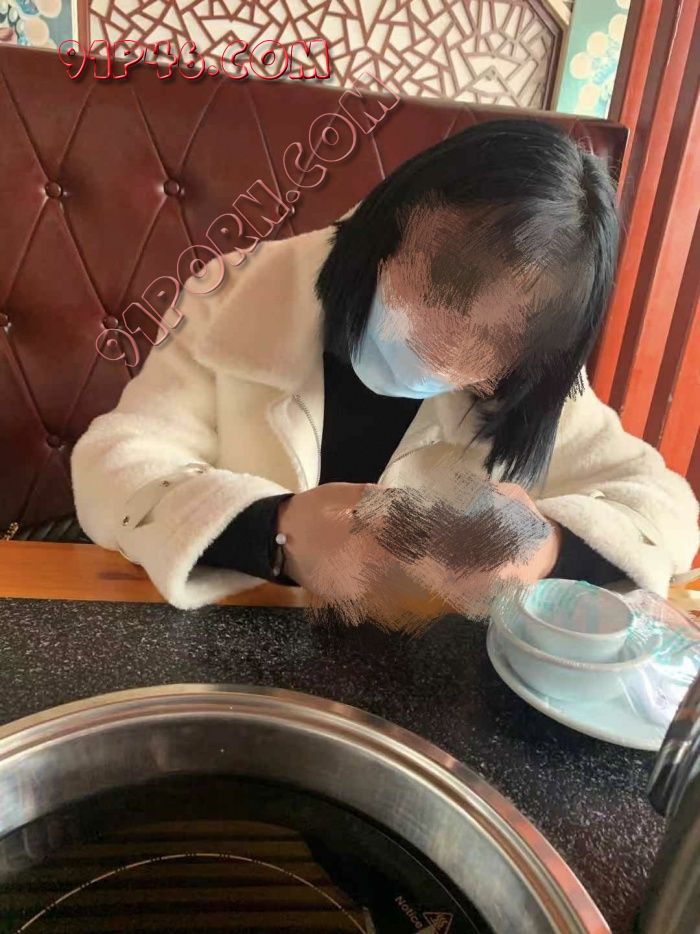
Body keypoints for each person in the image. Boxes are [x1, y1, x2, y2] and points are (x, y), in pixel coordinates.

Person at [71, 120, 699, 628]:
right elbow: (116, 463)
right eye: (435, 292)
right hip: (220, 639)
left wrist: (547, 547)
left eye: (490, 338)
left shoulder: (529, 367)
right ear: (382, 236)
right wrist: (277, 530)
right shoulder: (233, 293)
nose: (443, 352)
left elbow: (661, 507)